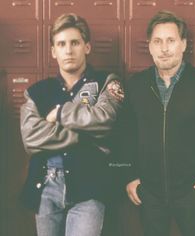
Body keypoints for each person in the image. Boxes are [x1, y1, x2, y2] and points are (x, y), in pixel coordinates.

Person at [125, 10, 195, 236]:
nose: (164, 48)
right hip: (150, 193)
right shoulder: (136, 86)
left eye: (171, 40)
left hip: (192, 193)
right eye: (158, 41)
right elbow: (123, 135)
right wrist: (130, 177)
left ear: (183, 44)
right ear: (150, 46)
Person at [20, 13, 124, 236]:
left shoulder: (108, 82)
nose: (68, 50)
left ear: (87, 47)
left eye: (75, 42)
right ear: (53, 51)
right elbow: (30, 138)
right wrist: (84, 134)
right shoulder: (37, 92)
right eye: (61, 44)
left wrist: (60, 113)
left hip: (90, 185)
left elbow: (104, 119)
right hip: (46, 185)